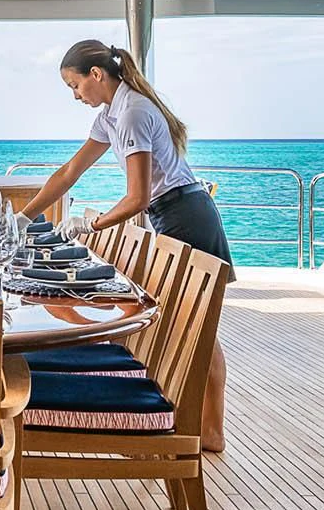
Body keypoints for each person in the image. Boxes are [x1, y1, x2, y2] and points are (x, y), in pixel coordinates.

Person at [20, 38, 233, 452]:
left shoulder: (133, 112)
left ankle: (211, 429)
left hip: (187, 215)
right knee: (190, 323)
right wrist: (23, 218)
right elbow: (69, 173)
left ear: (96, 74)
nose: (75, 96)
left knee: (199, 328)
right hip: (171, 212)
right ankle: (205, 426)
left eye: (75, 86)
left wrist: (90, 224)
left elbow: (137, 197)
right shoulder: (111, 115)